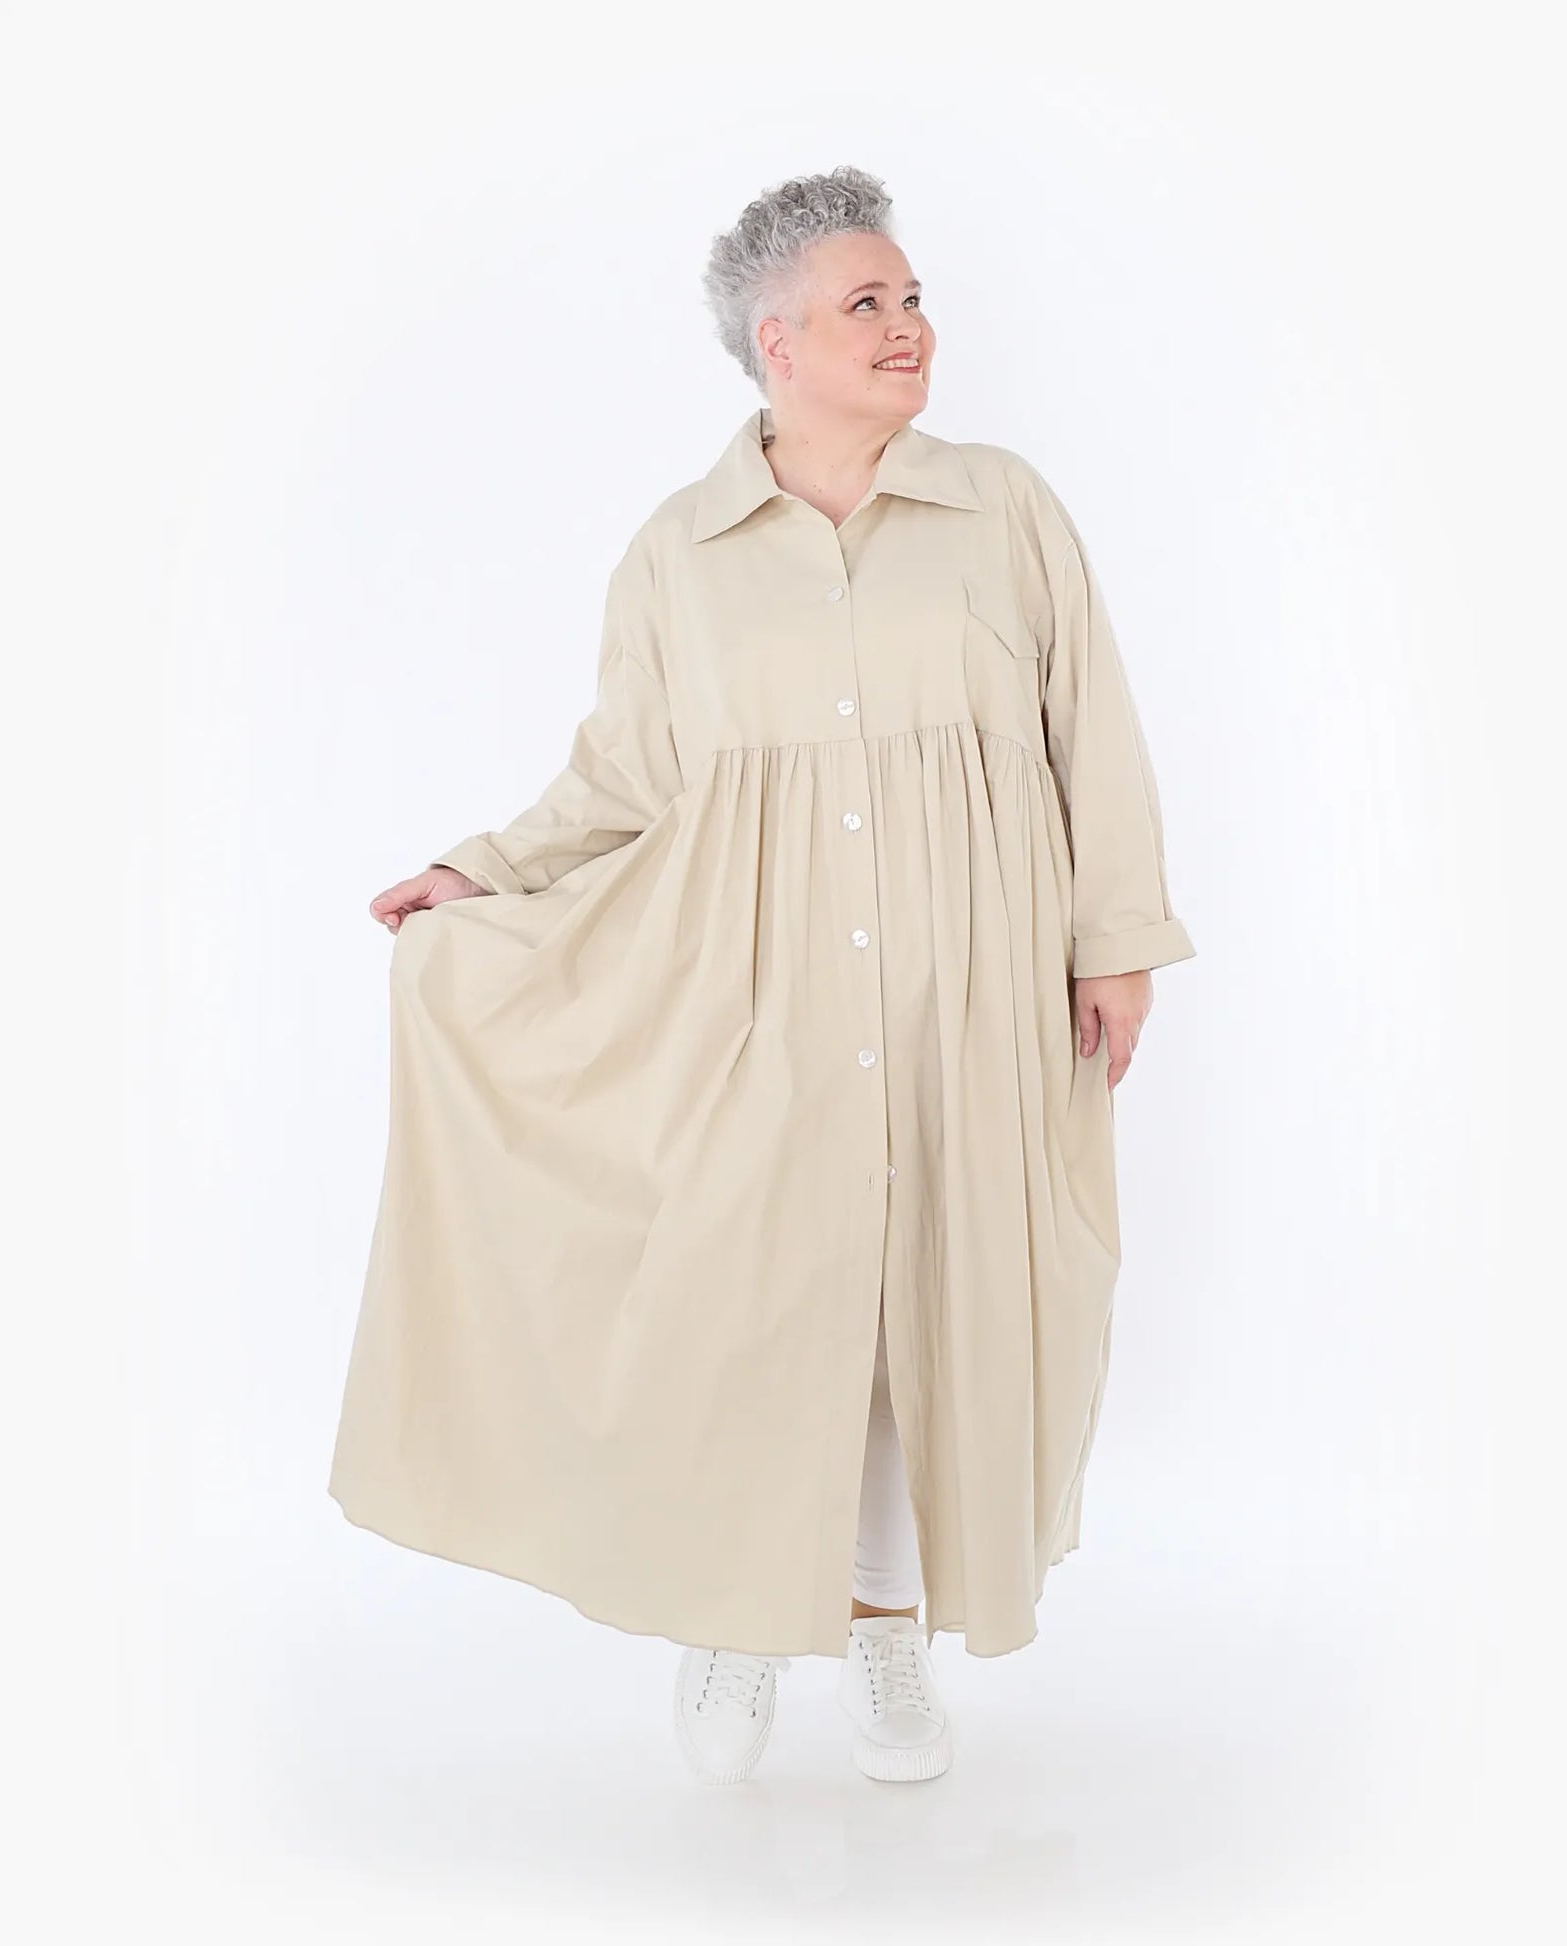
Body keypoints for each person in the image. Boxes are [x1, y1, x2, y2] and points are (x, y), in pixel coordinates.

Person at [329, 165, 1197, 1787]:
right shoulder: (680, 551)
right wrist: (484, 873)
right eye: (868, 303)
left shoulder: (1002, 509)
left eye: (913, 297)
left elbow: (1093, 725)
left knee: (923, 1316)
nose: (908, 326)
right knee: (745, 1303)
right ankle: (727, 1607)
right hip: (753, 994)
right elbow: (623, 775)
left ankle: (881, 1622)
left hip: (971, 992)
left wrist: (1117, 941)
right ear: (776, 341)